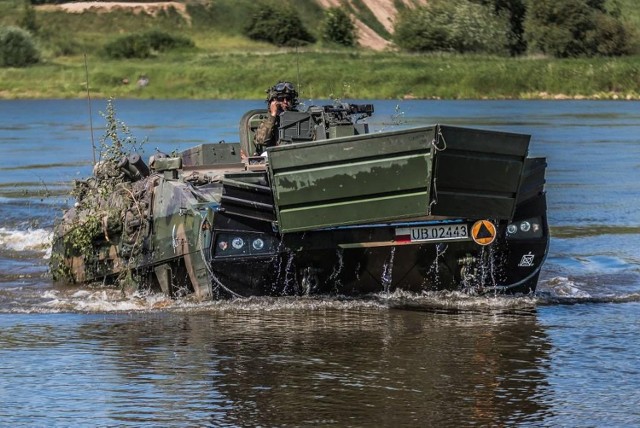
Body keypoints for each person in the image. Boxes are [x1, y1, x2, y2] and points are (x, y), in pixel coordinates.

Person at [253, 81, 298, 154]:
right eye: (281, 99)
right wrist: (273, 115)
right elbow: (261, 140)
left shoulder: (299, 116)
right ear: (273, 101)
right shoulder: (268, 119)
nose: (285, 101)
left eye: (288, 98)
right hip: (275, 155)